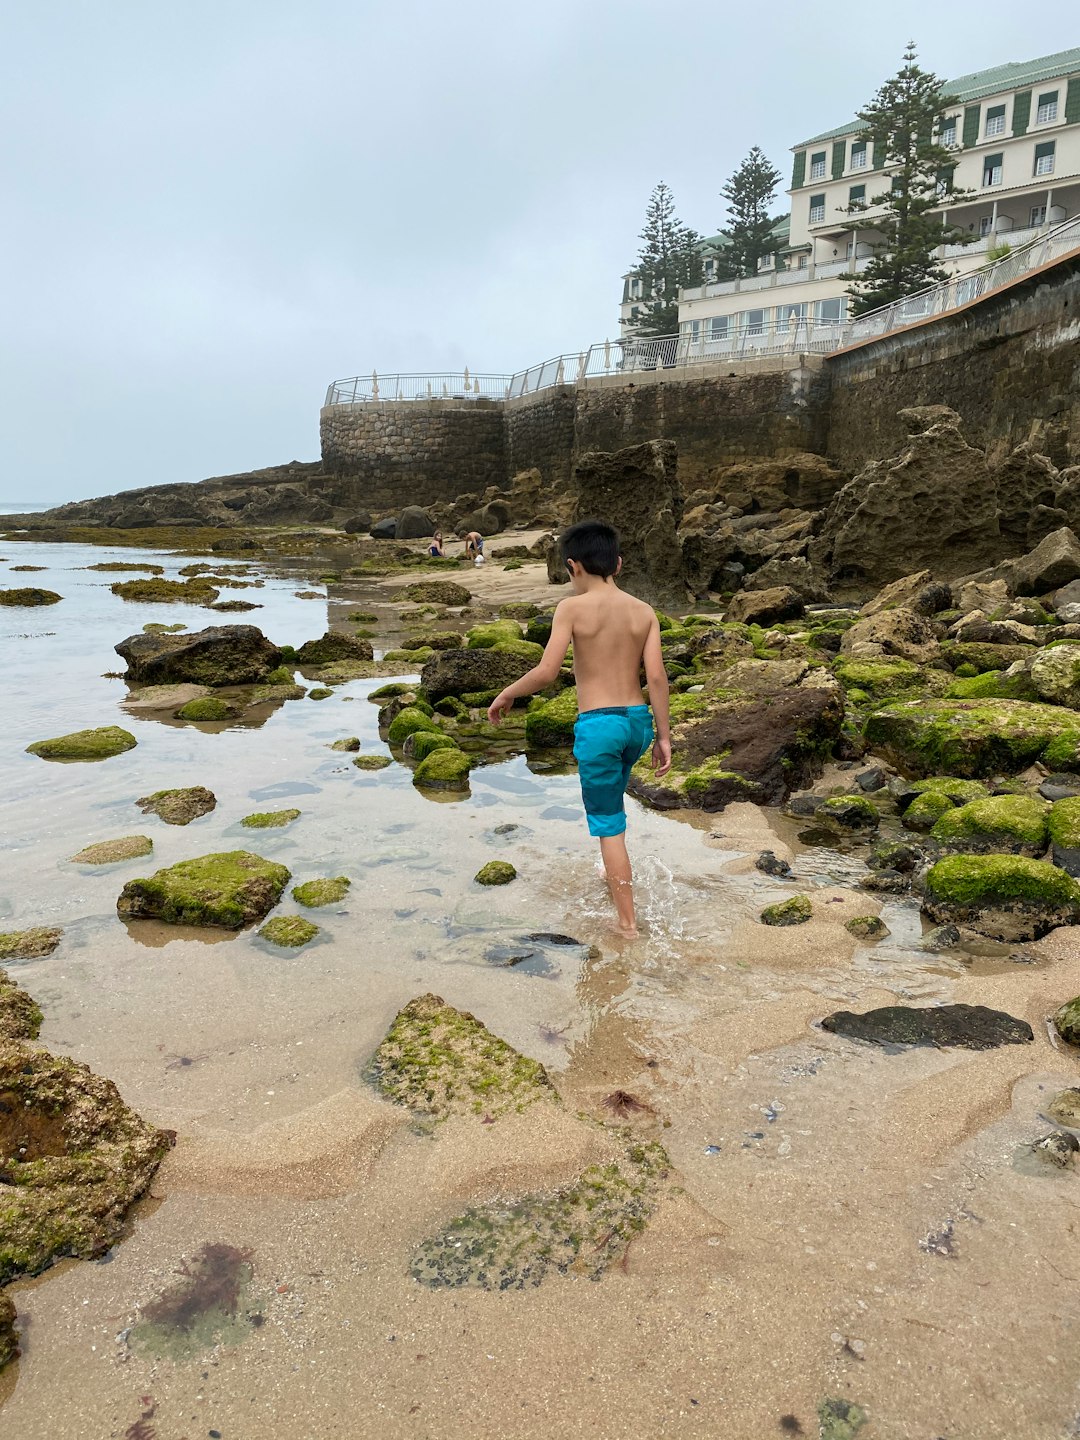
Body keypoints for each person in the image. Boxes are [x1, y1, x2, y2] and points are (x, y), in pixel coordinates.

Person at [487, 520, 671, 938]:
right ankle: (615, 884)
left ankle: (627, 926)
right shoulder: (644, 612)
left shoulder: (571, 608)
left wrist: (507, 694)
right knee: (614, 811)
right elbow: (657, 678)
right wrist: (663, 736)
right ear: (618, 564)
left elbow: (548, 671)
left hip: (599, 726)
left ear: (573, 567)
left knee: (610, 827)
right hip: (637, 724)